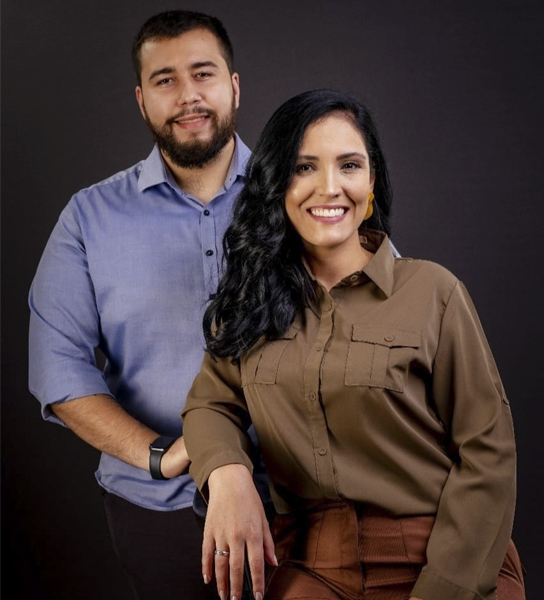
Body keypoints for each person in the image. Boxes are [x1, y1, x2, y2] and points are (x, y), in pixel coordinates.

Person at [181, 89, 526, 600]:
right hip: (310, 562)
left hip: (443, 553)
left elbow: (488, 451)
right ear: (277, 183)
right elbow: (209, 403)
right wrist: (228, 475)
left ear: (370, 183)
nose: (330, 187)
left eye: (349, 165)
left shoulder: (433, 292)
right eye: (304, 167)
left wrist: (447, 586)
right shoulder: (252, 302)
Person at [28, 10, 268, 599]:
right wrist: (161, 454)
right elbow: (57, 368)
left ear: (234, 86)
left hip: (299, 505)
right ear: (142, 100)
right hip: (156, 509)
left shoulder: (301, 194)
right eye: (165, 80)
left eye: (203, 73)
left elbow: (377, 309)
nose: (188, 95)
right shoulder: (88, 217)